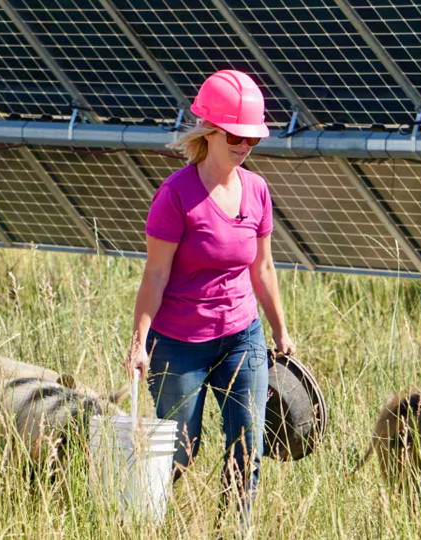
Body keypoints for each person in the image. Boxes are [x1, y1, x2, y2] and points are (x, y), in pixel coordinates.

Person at [123, 69, 295, 526]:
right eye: (236, 136)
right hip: (179, 344)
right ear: (211, 132)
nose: (244, 147)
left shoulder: (257, 191)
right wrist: (139, 342)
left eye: (252, 140)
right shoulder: (175, 195)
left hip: (243, 336)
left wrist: (279, 330)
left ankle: (233, 532)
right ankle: (140, 520)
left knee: (248, 446)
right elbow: (156, 274)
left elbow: (262, 268)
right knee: (181, 449)